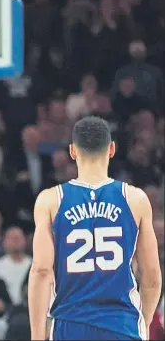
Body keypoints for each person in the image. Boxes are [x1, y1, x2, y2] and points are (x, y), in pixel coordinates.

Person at [29, 116, 162, 340]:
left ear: (72, 151)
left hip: (69, 324)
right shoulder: (134, 199)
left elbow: (41, 271)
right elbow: (152, 276)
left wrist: (36, 335)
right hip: (122, 324)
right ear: (111, 149)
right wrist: (144, 322)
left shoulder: (51, 200)